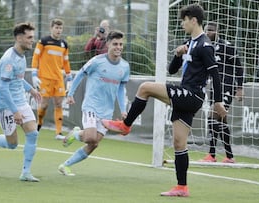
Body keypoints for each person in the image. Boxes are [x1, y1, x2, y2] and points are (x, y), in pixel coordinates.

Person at [102, 4, 227, 197]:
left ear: (193, 20)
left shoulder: (204, 45)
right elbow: (171, 70)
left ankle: (126, 125)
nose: (182, 24)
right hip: (187, 95)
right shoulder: (190, 43)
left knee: (145, 88)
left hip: (191, 95)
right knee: (179, 142)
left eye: (184, 21)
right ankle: (182, 187)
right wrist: (178, 55)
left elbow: (216, 75)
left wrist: (218, 102)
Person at [58, 30, 130, 176]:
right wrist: (70, 93)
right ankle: (78, 133)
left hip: (107, 111)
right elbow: (80, 74)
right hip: (91, 105)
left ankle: (65, 165)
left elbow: (121, 89)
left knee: (94, 144)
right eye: (115, 44)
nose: (118, 47)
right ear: (108, 44)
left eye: (121, 44)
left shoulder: (125, 66)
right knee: (90, 137)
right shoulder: (97, 61)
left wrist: (123, 109)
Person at [0, 22, 42, 182]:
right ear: (19, 38)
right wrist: (15, 111)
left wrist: (31, 90)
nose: (31, 41)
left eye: (32, 38)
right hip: (5, 105)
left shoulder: (22, 56)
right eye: (29, 38)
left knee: (33, 133)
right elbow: (3, 89)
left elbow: (18, 79)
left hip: (20, 101)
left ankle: (26, 173)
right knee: (12, 144)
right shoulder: (8, 59)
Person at [200, 22, 244, 164]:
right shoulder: (205, 47)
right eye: (206, 30)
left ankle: (212, 155)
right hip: (215, 86)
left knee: (213, 115)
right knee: (221, 119)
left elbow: (239, 67)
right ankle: (229, 156)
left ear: (217, 32)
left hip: (227, 85)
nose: (208, 33)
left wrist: (240, 87)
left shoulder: (227, 46)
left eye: (211, 30)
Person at [31, 18, 72, 140]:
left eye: (60, 28)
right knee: (43, 105)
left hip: (58, 79)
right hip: (45, 78)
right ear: (51, 28)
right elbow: (36, 57)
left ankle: (58, 132)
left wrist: (69, 77)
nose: (58, 30)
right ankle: (38, 125)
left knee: (59, 104)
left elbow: (66, 62)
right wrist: (34, 73)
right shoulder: (43, 41)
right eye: (56, 28)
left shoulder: (64, 44)